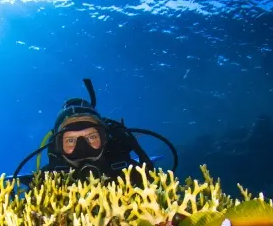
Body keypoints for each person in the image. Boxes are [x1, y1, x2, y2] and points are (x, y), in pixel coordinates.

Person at [12, 79, 178, 184]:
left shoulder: (129, 171)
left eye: (91, 136)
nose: (83, 148)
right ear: (57, 145)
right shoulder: (47, 181)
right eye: (70, 140)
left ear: (105, 138)